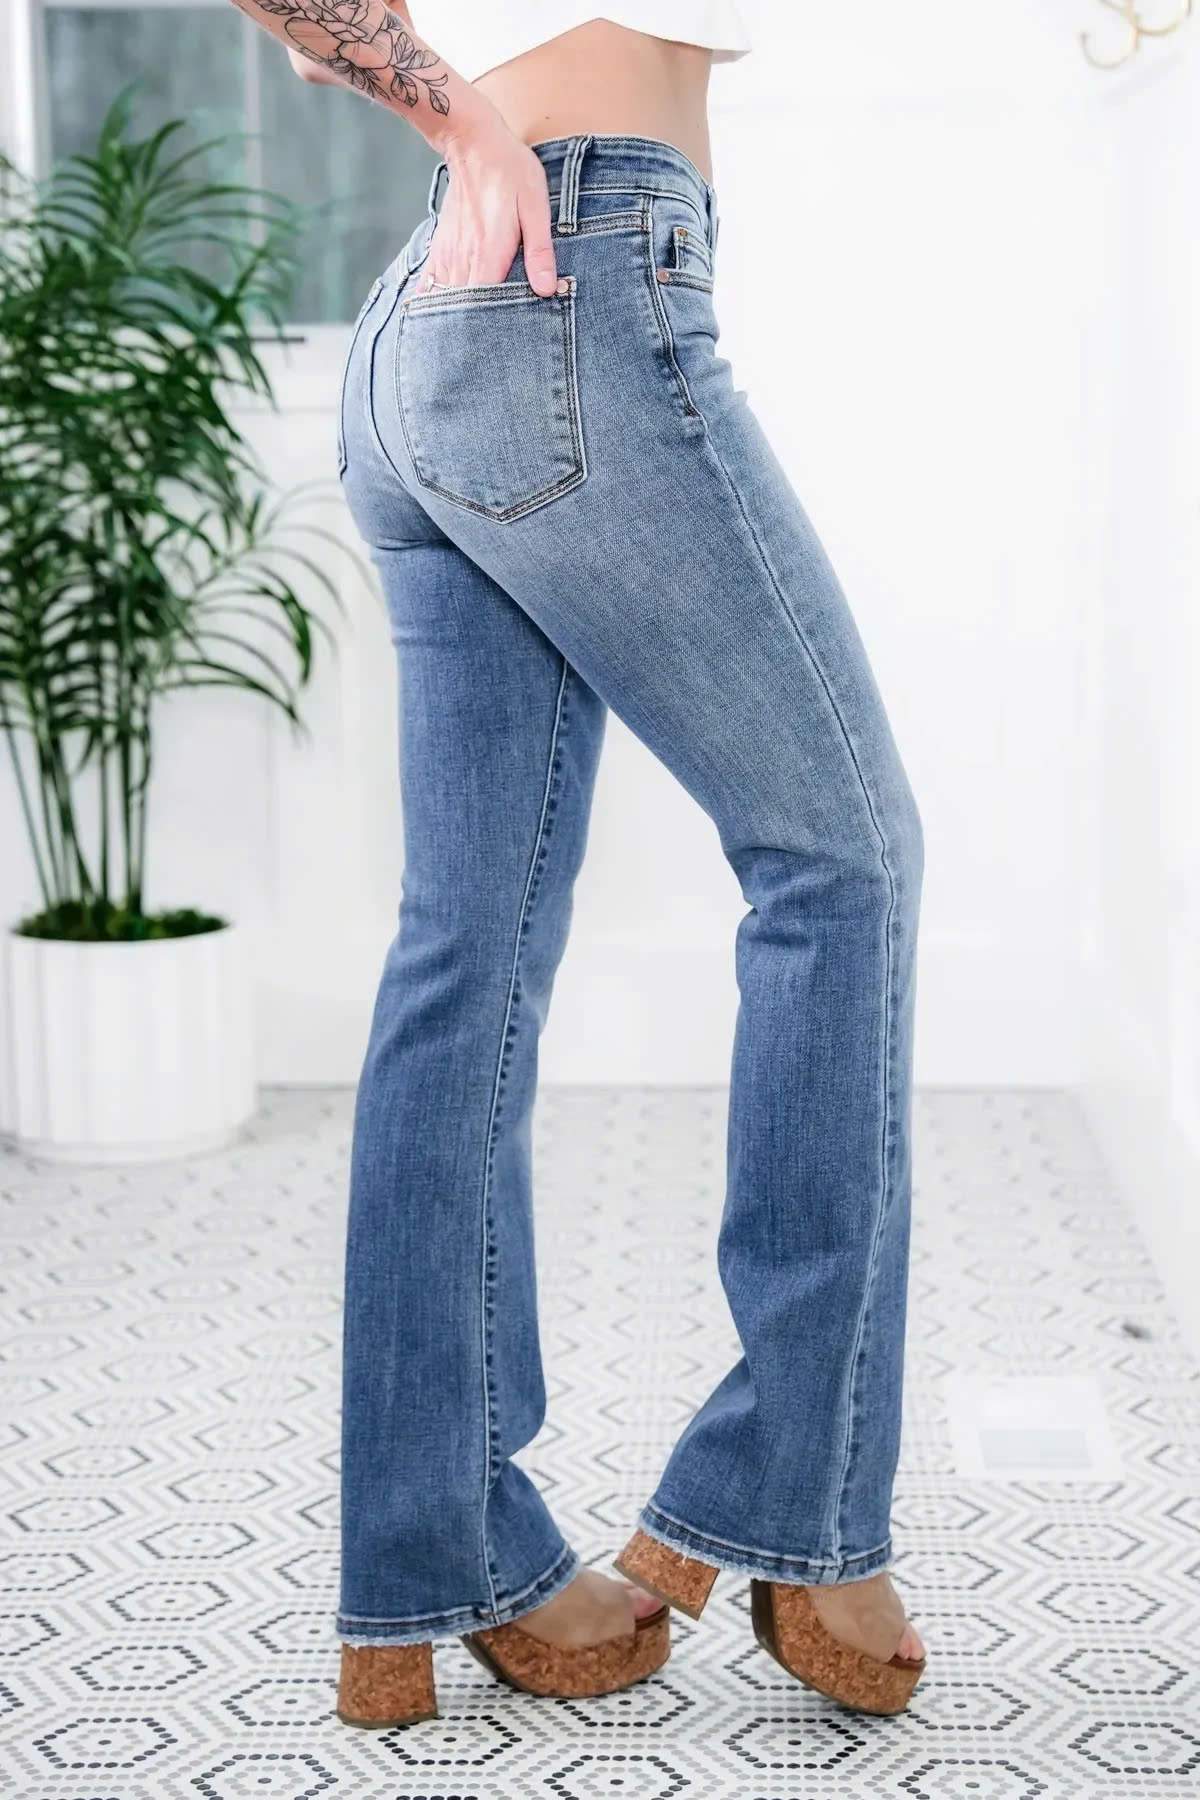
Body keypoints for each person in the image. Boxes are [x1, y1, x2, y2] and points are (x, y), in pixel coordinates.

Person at [228, 0, 929, 1725]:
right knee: (843, 861)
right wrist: (462, 120)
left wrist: (449, 116)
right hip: (574, 280)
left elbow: (318, 44)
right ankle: (799, 1506)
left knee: (462, 957)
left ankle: (429, 1568)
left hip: (447, 320)